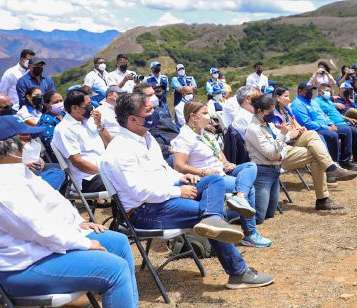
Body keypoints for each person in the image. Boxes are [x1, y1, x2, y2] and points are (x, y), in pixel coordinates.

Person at [102, 92, 273, 290]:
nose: (154, 113)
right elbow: (138, 190)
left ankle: (213, 218)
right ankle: (238, 272)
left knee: (214, 180)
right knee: (208, 216)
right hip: (145, 210)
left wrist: (180, 178)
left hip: (164, 196)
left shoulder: (145, 138)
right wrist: (178, 191)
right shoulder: (121, 149)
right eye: (148, 111)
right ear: (132, 119)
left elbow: (163, 170)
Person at [0, 123, 139, 307]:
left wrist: (77, 222)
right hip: (23, 266)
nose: (30, 145)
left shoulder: (19, 172)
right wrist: (84, 243)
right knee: (115, 270)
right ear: (6, 148)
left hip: (44, 249)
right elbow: (40, 229)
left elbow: (54, 203)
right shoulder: (5, 186)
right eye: (25, 139)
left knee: (119, 242)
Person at [171, 101, 271, 248]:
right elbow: (179, 165)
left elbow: (218, 153)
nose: (209, 116)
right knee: (249, 188)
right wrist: (203, 171)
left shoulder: (205, 134)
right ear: (193, 117)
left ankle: (240, 198)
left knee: (250, 166)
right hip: (207, 179)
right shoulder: (185, 137)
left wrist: (226, 163)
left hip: (221, 171)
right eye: (204, 113)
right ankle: (249, 232)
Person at [273, 86, 357, 184]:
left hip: (299, 135)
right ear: (277, 98)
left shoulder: (288, 108)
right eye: (286, 96)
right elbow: (285, 130)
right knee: (325, 138)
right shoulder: (278, 111)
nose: (289, 99)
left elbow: (297, 122)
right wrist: (295, 131)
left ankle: (332, 169)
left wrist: (301, 128)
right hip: (288, 142)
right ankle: (332, 168)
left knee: (322, 138)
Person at [51, 90, 107, 193]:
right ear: (74, 108)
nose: (91, 107)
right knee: (124, 178)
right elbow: (78, 162)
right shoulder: (64, 129)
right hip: (88, 178)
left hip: (105, 169)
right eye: (87, 105)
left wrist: (99, 125)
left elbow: (110, 144)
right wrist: (105, 171)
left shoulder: (90, 120)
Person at [290, 83, 357, 170]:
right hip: (312, 129)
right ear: (300, 91)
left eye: (312, 90)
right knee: (332, 136)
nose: (311, 92)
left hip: (325, 125)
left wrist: (330, 123)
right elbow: (306, 123)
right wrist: (326, 127)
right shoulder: (297, 104)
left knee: (346, 130)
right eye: (308, 90)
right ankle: (331, 166)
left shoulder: (313, 102)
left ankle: (344, 161)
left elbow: (323, 115)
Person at [315, 84, 357, 163]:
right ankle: (345, 160)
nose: (329, 93)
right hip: (334, 124)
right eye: (326, 91)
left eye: (329, 91)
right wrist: (330, 124)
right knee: (351, 131)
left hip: (342, 122)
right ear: (320, 92)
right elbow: (321, 116)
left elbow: (338, 114)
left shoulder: (328, 101)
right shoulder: (317, 102)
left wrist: (348, 119)